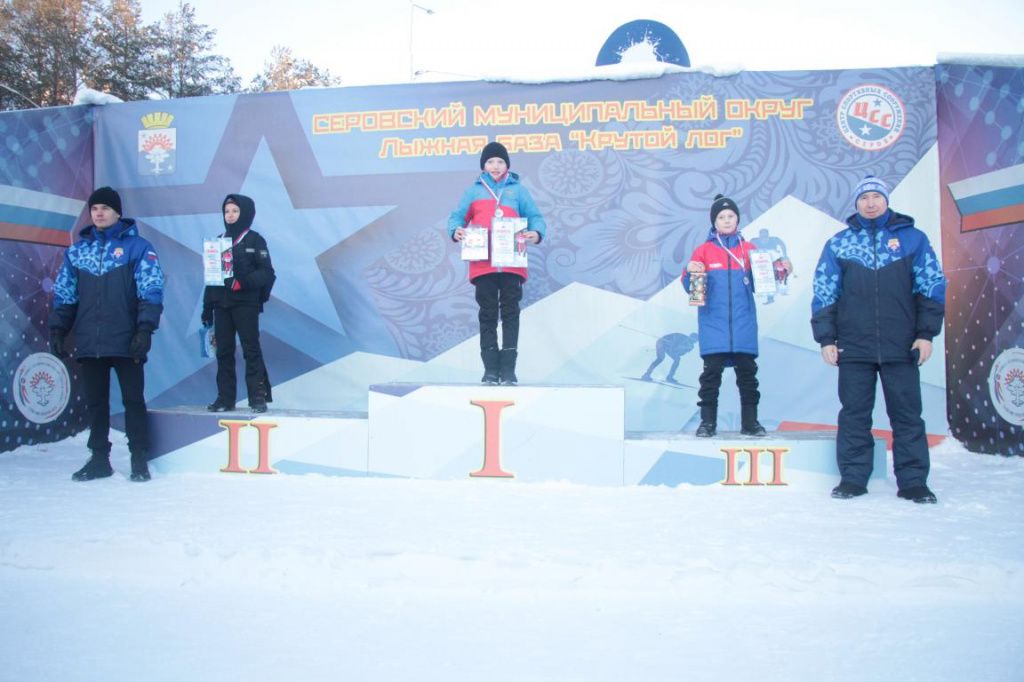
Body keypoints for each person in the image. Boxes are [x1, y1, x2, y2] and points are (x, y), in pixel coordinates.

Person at [811, 176, 946, 504]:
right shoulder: (839, 244)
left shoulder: (912, 240)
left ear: (886, 200)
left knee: (907, 414)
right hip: (854, 346)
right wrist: (826, 338)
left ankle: (913, 481)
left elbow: (931, 286)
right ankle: (854, 478)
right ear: (856, 203)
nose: (870, 203)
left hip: (902, 346)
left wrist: (925, 334)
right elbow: (825, 291)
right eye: (864, 197)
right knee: (854, 413)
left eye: (876, 196)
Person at [48, 187, 165, 482]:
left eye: (105, 208)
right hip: (90, 340)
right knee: (96, 403)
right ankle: (99, 459)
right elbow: (65, 294)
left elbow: (151, 290)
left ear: (117, 213)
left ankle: (139, 458)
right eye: (95, 208)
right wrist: (59, 328)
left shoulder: (138, 248)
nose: (99, 213)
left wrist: (145, 329)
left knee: (133, 400)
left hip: (127, 339)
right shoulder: (77, 252)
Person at [682, 194, 791, 437]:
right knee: (710, 378)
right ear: (714, 222)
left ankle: (750, 423)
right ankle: (707, 423)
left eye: (731, 216)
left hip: (743, 325)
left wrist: (780, 269)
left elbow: (762, 284)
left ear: (738, 219)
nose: (727, 220)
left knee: (748, 376)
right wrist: (689, 272)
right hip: (714, 325)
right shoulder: (704, 251)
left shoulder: (750, 250)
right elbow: (690, 287)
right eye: (721, 217)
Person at [448, 141, 547, 385]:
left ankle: (509, 369)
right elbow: (456, 216)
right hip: (484, 264)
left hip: (513, 262)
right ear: (483, 165)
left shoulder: (518, 191)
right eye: (490, 161)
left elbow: (535, 216)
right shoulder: (473, 191)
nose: (495, 166)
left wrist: (536, 232)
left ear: (507, 165)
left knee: (511, 312)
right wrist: (455, 230)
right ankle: (491, 369)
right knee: (488, 313)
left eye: (500, 161)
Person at [201, 194, 276, 413]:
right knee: (223, 351)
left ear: (245, 213)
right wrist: (207, 307)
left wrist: (241, 283)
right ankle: (225, 398)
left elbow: (267, 273)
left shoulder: (254, 239)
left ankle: (257, 398)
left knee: (251, 349)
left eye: (235, 211)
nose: (230, 215)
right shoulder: (217, 241)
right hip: (221, 305)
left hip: (245, 304)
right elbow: (212, 278)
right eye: (227, 211)